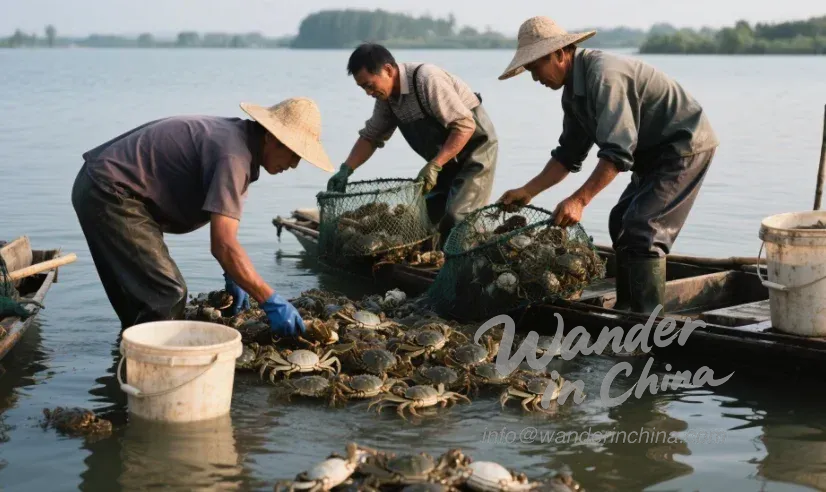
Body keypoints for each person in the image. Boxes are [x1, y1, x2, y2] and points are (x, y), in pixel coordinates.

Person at [497, 16, 719, 315]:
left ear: (561, 54)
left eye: (536, 66)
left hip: (683, 147)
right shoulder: (573, 93)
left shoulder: (604, 77)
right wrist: (527, 191)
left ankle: (646, 320)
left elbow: (616, 153)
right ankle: (628, 310)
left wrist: (579, 200)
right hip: (650, 155)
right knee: (620, 221)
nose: (535, 77)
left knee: (643, 229)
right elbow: (568, 155)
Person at [71, 97, 334, 335]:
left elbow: (226, 229)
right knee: (166, 294)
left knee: (140, 308)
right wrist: (269, 299)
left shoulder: (240, 143)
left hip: (103, 187)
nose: (294, 164)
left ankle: (130, 373)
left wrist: (234, 273)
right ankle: (155, 379)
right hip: (110, 192)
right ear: (273, 139)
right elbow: (222, 244)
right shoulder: (234, 157)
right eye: (294, 154)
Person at [327, 43, 499, 248]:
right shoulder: (387, 98)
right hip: (442, 161)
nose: (368, 92)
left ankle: (461, 272)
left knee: (457, 217)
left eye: (369, 85)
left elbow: (464, 126)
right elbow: (371, 137)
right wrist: (347, 169)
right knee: (422, 220)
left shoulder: (427, 79)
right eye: (362, 87)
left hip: (475, 152)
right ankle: (431, 264)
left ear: (388, 70)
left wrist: (435, 165)